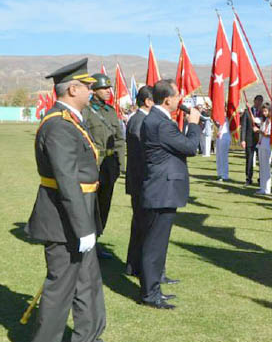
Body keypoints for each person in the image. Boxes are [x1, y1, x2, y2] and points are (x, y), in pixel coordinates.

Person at [25, 58, 124, 342]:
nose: (92, 91)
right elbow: (67, 181)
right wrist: (83, 229)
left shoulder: (70, 121)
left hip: (79, 216)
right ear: (72, 90)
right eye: (87, 87)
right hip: (63, 221)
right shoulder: (58, 125)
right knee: (60, 289)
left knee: (89, 285)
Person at [138, 79, 201, 309]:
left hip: (162, 189)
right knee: (154, 244)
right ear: (167, 99)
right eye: (177, 97)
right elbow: (190, 147)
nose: (179, 101)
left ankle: (155, 287)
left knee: (158, 243)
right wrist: (193, 124)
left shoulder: (157, 120)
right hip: (161, 190)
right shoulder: (161, 123)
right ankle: (150, 294)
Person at [82, 73, 126, 259]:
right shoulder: (85, 111)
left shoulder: (110, 111)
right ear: (94, 90)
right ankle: (85, 244)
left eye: (109, 88)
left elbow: (119, 139)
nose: (109, 91)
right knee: (88, 206)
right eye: (104, 88)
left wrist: (121, 166)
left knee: (104, 205)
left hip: (109, 166)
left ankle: (96, 241)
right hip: (93, 165)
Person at [125, 86, 153, 277]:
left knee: (140, 225)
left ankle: (134, 266)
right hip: (140, 180)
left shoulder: (139, 119)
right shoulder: (139, 121)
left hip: (140, 180)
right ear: (147, 101)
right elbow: (141, 153)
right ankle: (141, 267)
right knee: (143, 226)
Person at [241, 95, 263, 186]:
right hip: (249, 139)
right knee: (249, 159)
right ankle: (248, 178)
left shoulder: (263, 112)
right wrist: (243, 140)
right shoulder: (247, 112)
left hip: (260, 139)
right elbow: (244, 127)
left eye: (260, 101)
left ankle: (261, 178)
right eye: (257, 101)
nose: (258, 103)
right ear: (254, 101)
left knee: (261, 160)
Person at [255, 103, 272, 195]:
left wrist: (259, 131)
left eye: (266, 111)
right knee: (262, 167)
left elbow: (270, 134)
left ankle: (267, 188)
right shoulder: (265, 121)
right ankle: (262, 188)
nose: (264, 113)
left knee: (266, 167)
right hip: (261, 145)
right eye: (263, 111)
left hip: (268, 146)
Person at [215, 110, 231, 182]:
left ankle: (225, 175)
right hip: (219, 136)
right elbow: (219, 125)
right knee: (218, 156)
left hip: (225, 137)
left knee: (223, 157)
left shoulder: (228, 115)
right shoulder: (220, 115)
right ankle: (219, 173)